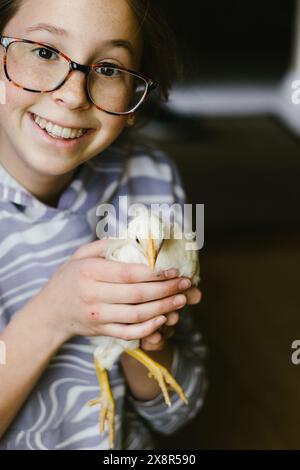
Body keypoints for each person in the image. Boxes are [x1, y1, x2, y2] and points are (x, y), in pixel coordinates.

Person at [0, 0, 207, 450]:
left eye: (110, 69)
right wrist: (52, 316)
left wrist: (146, 336)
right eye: (43, 52)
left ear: (136, 99)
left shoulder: (148, 178)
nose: (73, 95)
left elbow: (178, 411)